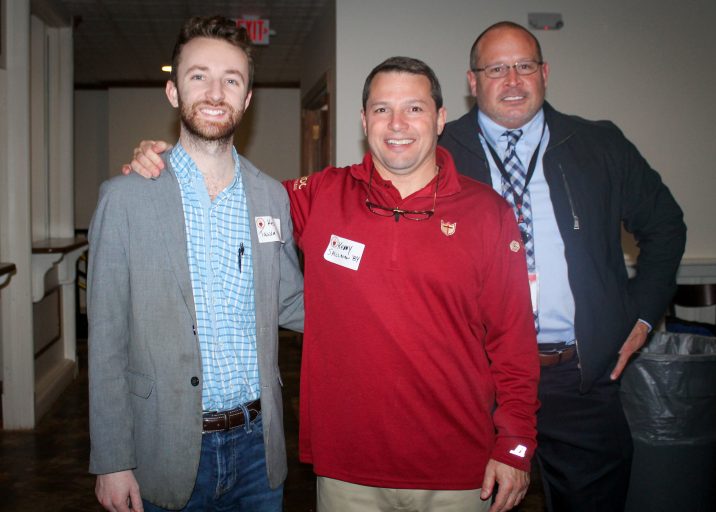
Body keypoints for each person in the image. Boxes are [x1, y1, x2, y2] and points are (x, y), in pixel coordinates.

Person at [124, 56, 540, 512]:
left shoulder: (489, 215)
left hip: (459, 472)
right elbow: (233, 194)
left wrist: (515, 446)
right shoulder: (322, 195)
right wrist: (171, 167)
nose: (397, 124)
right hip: (347, 473)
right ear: (364, 121)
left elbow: (514, 345)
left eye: (415, 109)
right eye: (382, 109)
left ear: (440, 118)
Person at [438, 21, 687, 510]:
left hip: (578, 380)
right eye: (496, 69)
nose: (512, 80)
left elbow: (666, 227)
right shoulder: (439, 151)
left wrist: (641, 314)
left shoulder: (599, 145)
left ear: (544, 73)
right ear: (472, 82)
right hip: (474, 382)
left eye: (524, 66)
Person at [88, 16, 304, 512]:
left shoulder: (271, 197)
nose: (215, 91)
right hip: (162, 448)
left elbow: (290, 300)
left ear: (247, 98)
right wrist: (111, 459)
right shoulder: (125, 199)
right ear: (172, 90)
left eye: (232, 79)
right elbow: (105, 340)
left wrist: (383, 308)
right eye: (198, 76)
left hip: (257, 450)